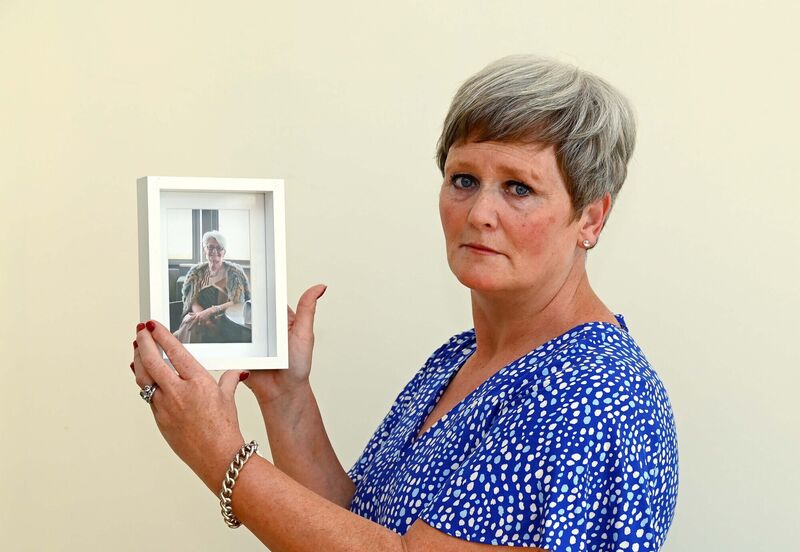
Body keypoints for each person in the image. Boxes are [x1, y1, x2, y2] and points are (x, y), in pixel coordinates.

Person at [131, 55, 678, 551]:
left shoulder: (601, 397)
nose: (479, 214)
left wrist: (221, 457)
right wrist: (286, 397)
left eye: (518, 188)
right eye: (464, 179)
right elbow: (356, 527)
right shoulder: (458, 359)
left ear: (591, 218)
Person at [173, 230, 252, 343]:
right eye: (210, 247)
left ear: (224, 252)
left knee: (179, 333)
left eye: (219, 248)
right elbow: (192, 300)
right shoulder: (196, 272)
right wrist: (203, 318)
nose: (214, 251)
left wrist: (211, 311)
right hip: (199, 317)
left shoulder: (234, 273)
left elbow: (237, 301)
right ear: (204, 250)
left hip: (224, 319)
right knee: (190, 322)